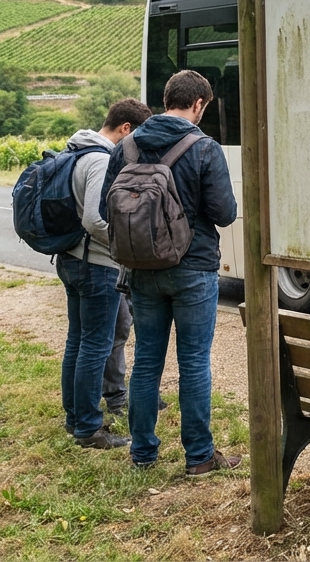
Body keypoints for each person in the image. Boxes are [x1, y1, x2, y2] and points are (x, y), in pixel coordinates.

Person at [100, 70, 240, 476]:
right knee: (193, 361)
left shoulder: (126, 147)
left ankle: (142, 453)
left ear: (167, 100)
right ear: (198, 104)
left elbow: (104, 209)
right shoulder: (204, 147)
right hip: (193, 267)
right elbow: (225, 213)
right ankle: (199, 456)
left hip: (142, 270)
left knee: (146, 361)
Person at [57, 97, 151, 449]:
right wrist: (124, 242)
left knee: (78, 341)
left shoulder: (76, 149)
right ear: (126, 129)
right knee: (94, 345)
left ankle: (75, 417)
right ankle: (88, 428)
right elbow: (95, 219)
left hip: (71, 258)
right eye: (136, 136)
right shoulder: (99, 159)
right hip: (95, 263)